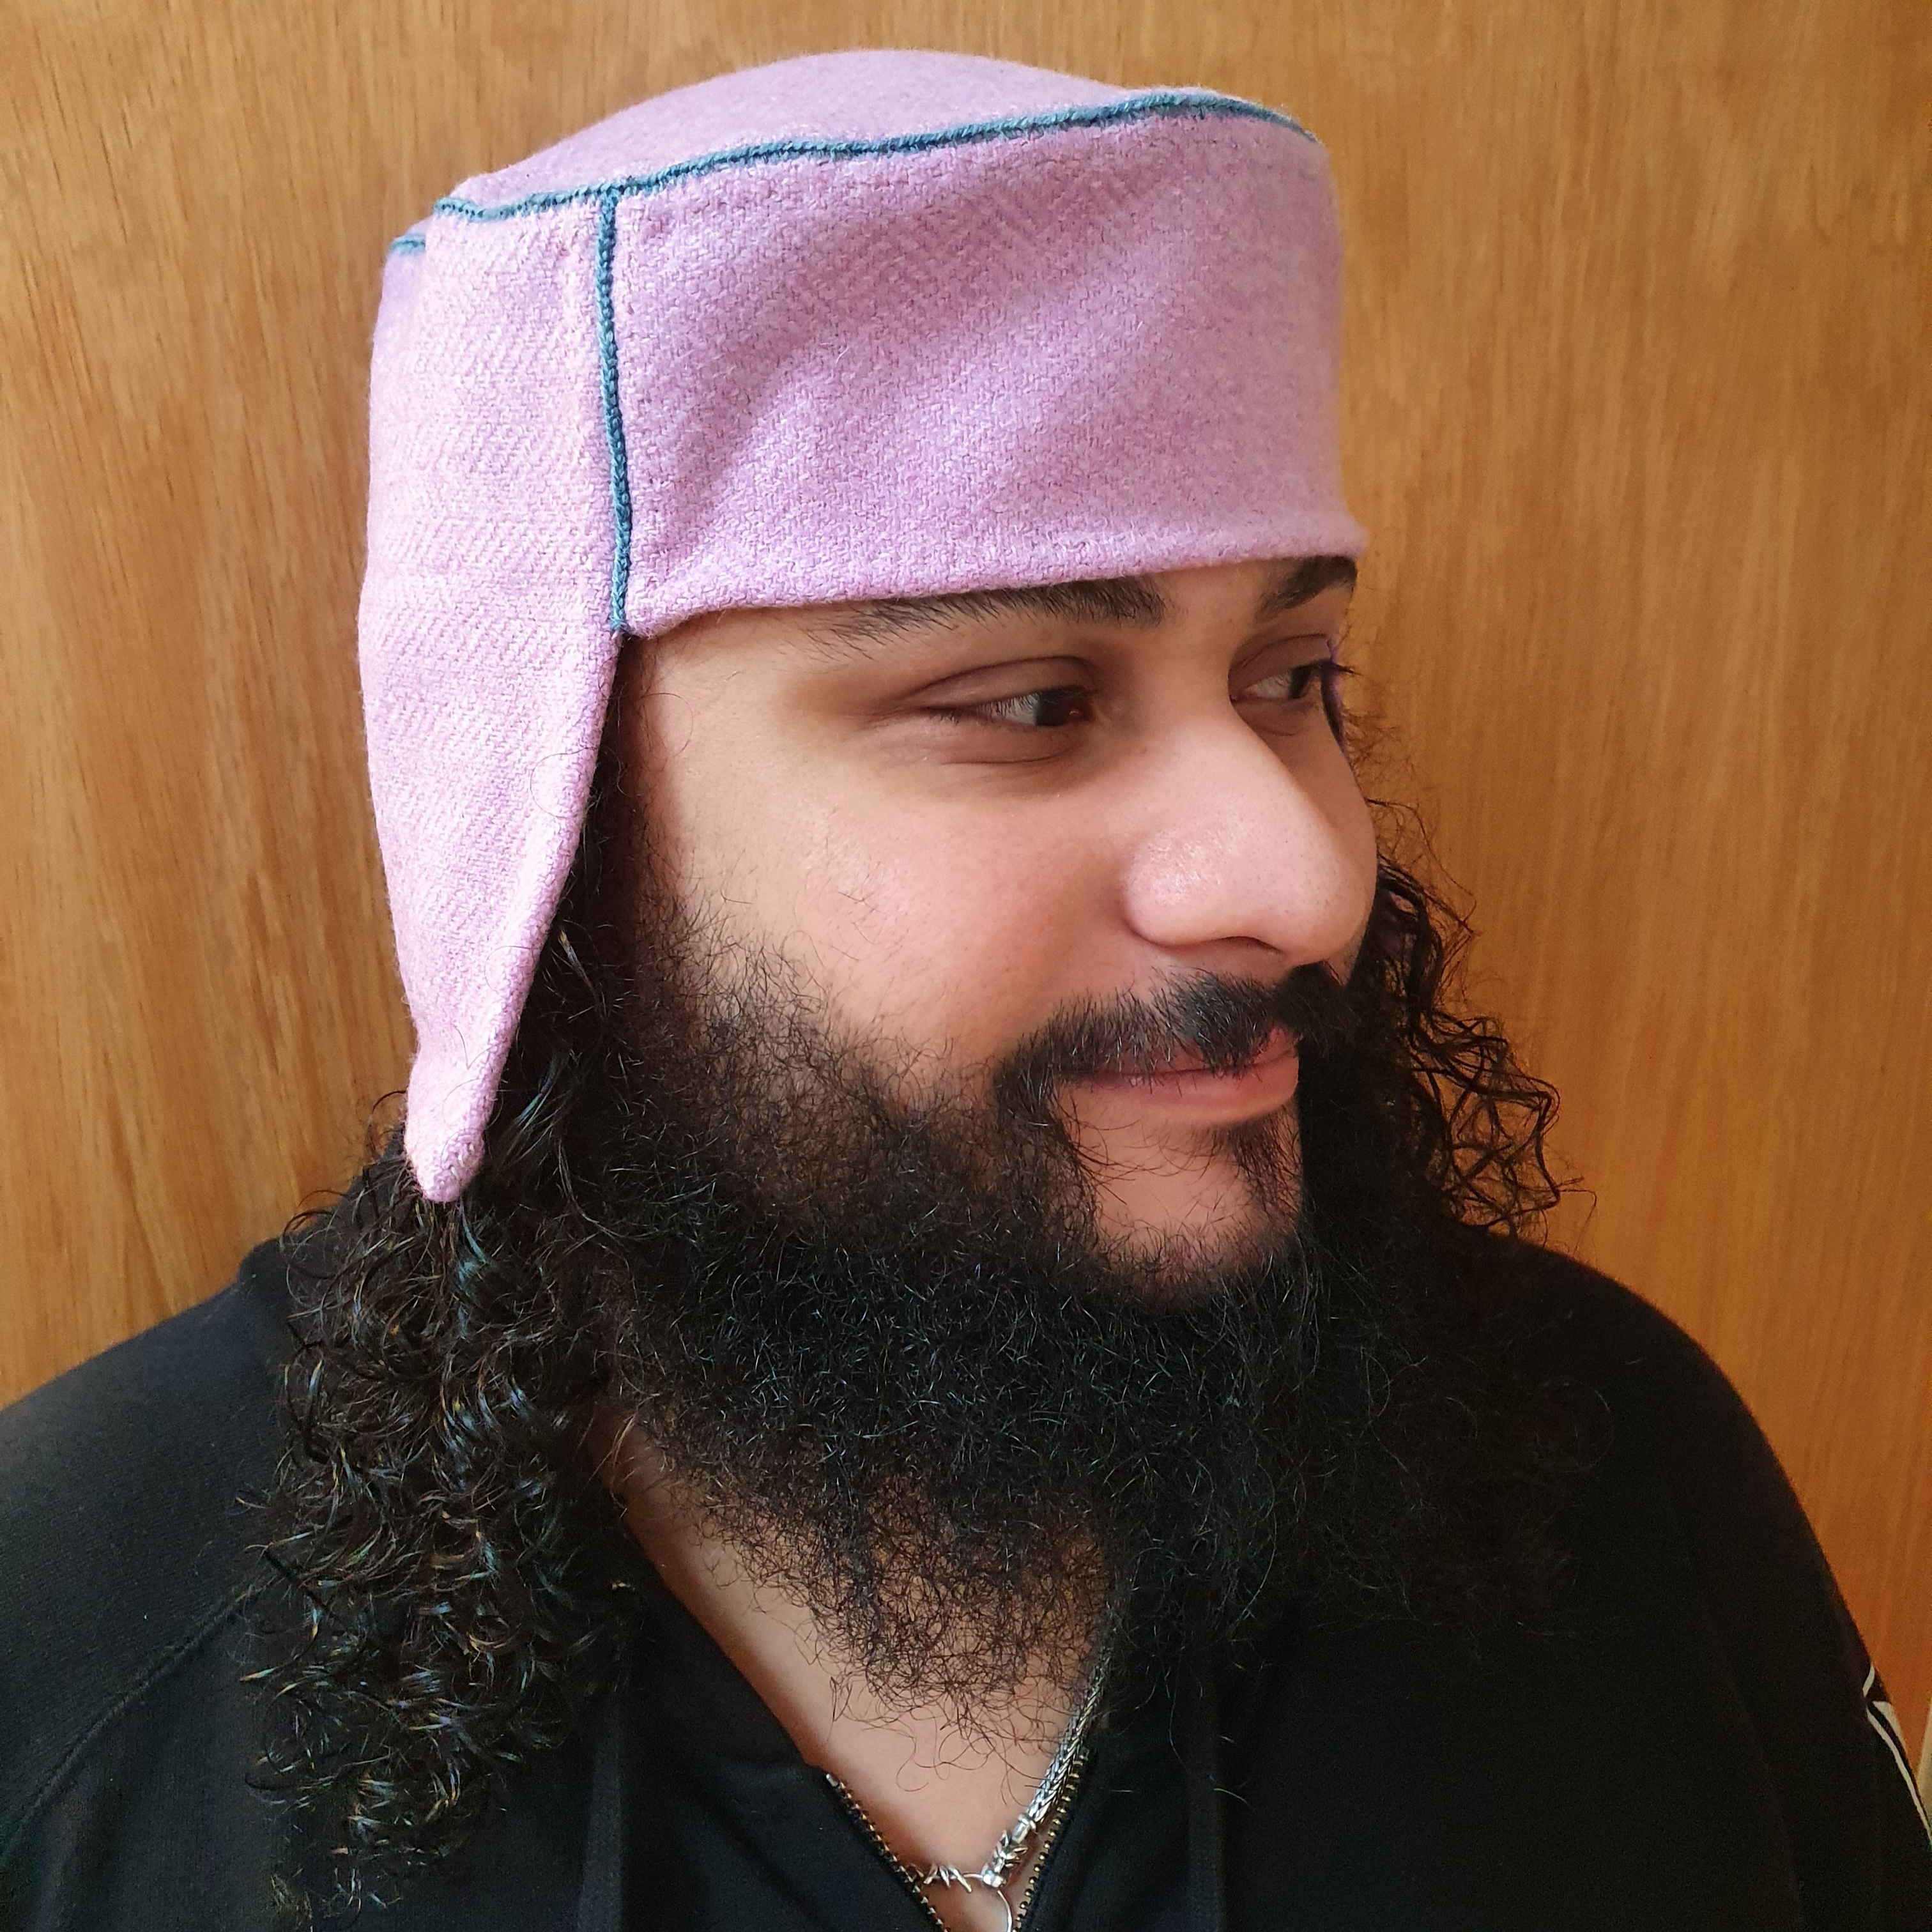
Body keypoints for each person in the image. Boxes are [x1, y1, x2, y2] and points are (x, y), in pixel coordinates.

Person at [1, 48, 1924, 1932]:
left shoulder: (1614, 1468)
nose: (1307, 875)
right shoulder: (71, 1657)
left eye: (1292, 678)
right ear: (546, 817)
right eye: (1030, 705)